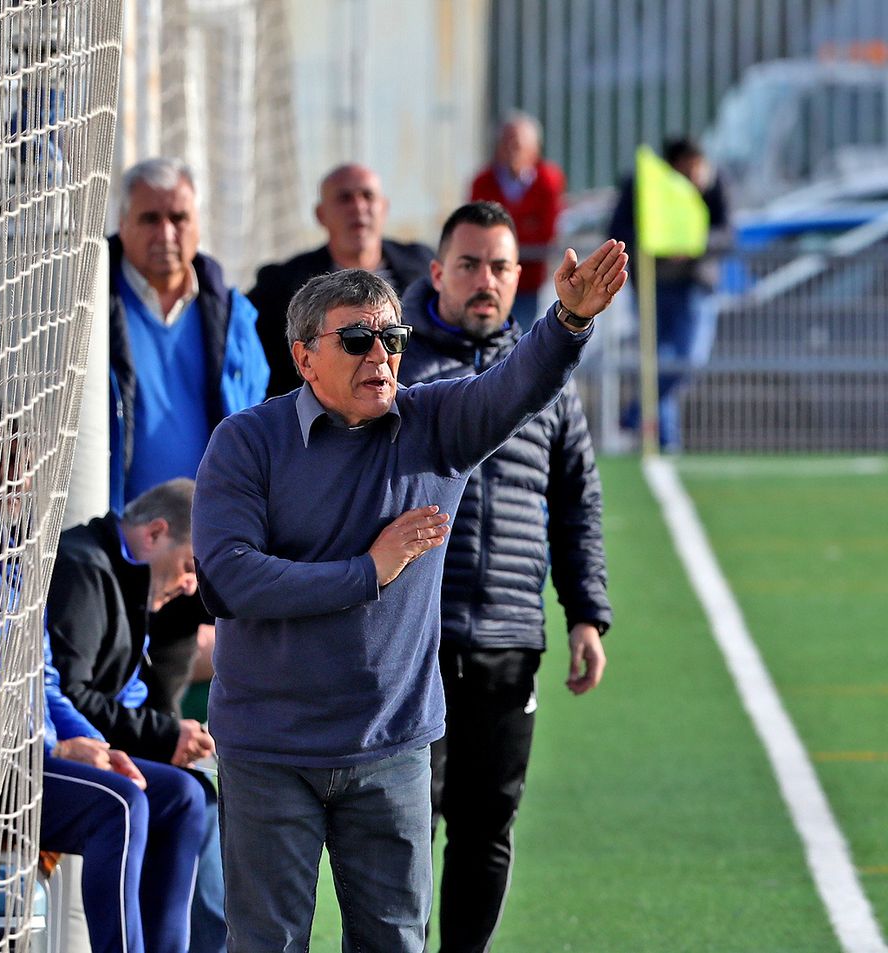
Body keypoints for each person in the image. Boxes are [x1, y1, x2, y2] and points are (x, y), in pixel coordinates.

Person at [192, 242, 628, 952]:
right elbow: (230, 580)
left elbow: (514, 384)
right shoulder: (246, 443)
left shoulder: (436, 425)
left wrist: (568, 322)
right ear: (304, 358)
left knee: (395, 942)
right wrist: (369, 569)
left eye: (391, 339)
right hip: (269, 750)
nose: (381, 357)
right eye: (358, 340)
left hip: (391, 749)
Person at [397, 201, 612, 953]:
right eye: (469, 264)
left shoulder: (549, 375)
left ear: (520, 277)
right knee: (405, 823)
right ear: (437, 273)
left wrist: (587, 611)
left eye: (499, 266)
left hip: (508, 636)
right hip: (410, 641)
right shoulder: (398, 367)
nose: (484, 280)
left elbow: (576, 496)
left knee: (487, 826)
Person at [0, 407, 206, 953]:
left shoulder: (17, 559)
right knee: (120, 805)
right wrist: (64, 744)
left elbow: (45, 683)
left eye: (24, 471)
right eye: (8, 470)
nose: (22, 484)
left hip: (40, 751)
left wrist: (92, 743)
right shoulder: (73, 566)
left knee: (185, 795)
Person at [46, 478, 226, 953]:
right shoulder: (83, 566)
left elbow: (121, 697)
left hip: (78, 746)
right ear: (154, 534)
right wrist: (164, 735)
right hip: (23, 756)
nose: (190, 586)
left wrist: (174, 735)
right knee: (124, 803)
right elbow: (68, 693)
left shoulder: (128, 578)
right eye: (189, 566)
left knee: (189, 794)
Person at [107, 157, 269, 514]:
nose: (165, 233)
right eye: (150, 219)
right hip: (114, 534)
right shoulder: (91, 305)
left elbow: (254, 415)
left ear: (197, 224)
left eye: (178, 218)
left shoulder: (233, 315)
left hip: (210, 533)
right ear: (122, 223)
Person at [249, 163, 434, 397]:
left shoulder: (423, 267)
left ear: (384, 207)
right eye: (344, 198)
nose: (358, 207)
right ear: (321, 214)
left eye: (368, 196)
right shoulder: (281, 285)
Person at [607, 136, 731, 451]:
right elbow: (617, 229)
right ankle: (667, 441)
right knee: (657, 362)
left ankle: (635, 414)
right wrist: (655, 243)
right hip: (651, 286)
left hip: (695, 286)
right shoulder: (643, 183)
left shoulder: (715, 184)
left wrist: (694, 244)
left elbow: (727, 234)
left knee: (689, 360)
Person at [469, 112, 566, 330]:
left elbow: (546, 232)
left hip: (529, 279)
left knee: (520, 334)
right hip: (487, 279)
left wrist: (501, 243)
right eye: (506, 142)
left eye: (518, 144)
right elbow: (475, 229)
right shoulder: (483, 182)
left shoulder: (548, 181)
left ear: (535, 148)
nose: (511, 149)